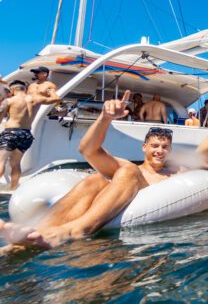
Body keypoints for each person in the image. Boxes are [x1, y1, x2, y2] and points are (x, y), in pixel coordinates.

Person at [0, 90, 183, 248]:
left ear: (170, 150)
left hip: (121, 231)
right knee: (97, 178)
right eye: (154, 146)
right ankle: (35, 234)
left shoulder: (175, 173)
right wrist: (105, 117)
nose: (159, 151)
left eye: (164, 147)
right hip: (106, 215)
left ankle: (76, 229)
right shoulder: (128, 168)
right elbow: (88, 150)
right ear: (144, 147)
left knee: (127, 171)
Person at [0, 81, 44, 190]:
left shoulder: (9, 100)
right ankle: (13, 188)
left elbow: (1, 114)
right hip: (26, 134)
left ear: (12, 90)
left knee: (1, 161)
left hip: (11, 132)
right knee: (16, 163)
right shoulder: (34, 100)